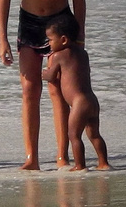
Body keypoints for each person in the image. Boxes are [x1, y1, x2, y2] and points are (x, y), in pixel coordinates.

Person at [0, 0, 88, 171]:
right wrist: (2, 39)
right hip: (30, 25)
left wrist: (79, 33)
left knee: (57, 89)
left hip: (60, 25)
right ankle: (31, 158)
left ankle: (62, 156)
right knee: (29, 89)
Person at [41, 15, 110, 171]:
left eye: (50, 40)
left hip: (78, 103)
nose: (49, 43)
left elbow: (52, 76)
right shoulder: (82, 54)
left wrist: (45, 74)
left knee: (74, 135)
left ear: (64, 40)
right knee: (94, 134)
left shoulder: (59, 56)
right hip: (92, 100)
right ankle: (103, 163)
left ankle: (80, 166)